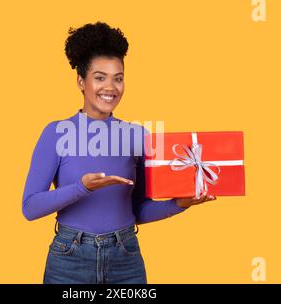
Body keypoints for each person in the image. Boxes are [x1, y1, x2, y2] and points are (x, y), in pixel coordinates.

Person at [22, 21, 216, 284]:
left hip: (125, 256)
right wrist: (82, 187)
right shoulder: (56, 133)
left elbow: (137, 210)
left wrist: (178, 205)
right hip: (69, 258)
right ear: (81, 81)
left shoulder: (138, 136)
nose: (110, 87)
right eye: (100, 77)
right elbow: (30, 207)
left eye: (118, 78)